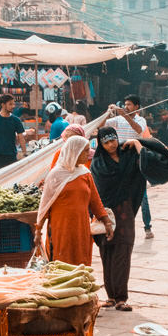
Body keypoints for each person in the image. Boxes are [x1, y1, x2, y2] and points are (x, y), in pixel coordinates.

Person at [91, 126, 146, 311]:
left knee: (123, 252)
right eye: (106, 142)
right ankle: (111, 296)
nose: (111, 144)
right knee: (107, 253)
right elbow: (97, 193)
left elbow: (149, 162)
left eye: (113, 139)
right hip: (104, 213)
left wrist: (138, 144)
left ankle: (122, 297)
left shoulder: (128, 155)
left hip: (124, 212)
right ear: (101, 144)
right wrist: (101, 215)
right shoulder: (98, 164)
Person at [36, 135, 111, 268]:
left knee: (81, 265)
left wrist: (106, 222)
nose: (89, 154)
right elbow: (45, 205)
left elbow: (95, 201)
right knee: (61, 267)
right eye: (85, 150)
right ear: (75, 151)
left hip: (81, 229)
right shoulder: (55, 175)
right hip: (61, 230)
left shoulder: (85, 173)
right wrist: (38, 230)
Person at [112, 95, 154, 239]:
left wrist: (126, 116)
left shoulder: (141, 120)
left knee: (142, 195)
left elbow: (137, 130)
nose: (126, 107)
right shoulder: (117, 120)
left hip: (136, 161)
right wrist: (108, 112)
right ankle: (119, 226)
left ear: (136, 107)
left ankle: (147, 227)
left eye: (129, 104)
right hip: (121, 160)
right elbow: (102, 125)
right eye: (125, 104)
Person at [0, 94, 25, 171]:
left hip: (11, 155)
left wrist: (24, 153)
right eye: (10, 104)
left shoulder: (16, 120)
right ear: (3, 105)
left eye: (13, 104)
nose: (13, 106)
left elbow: (21, 138)